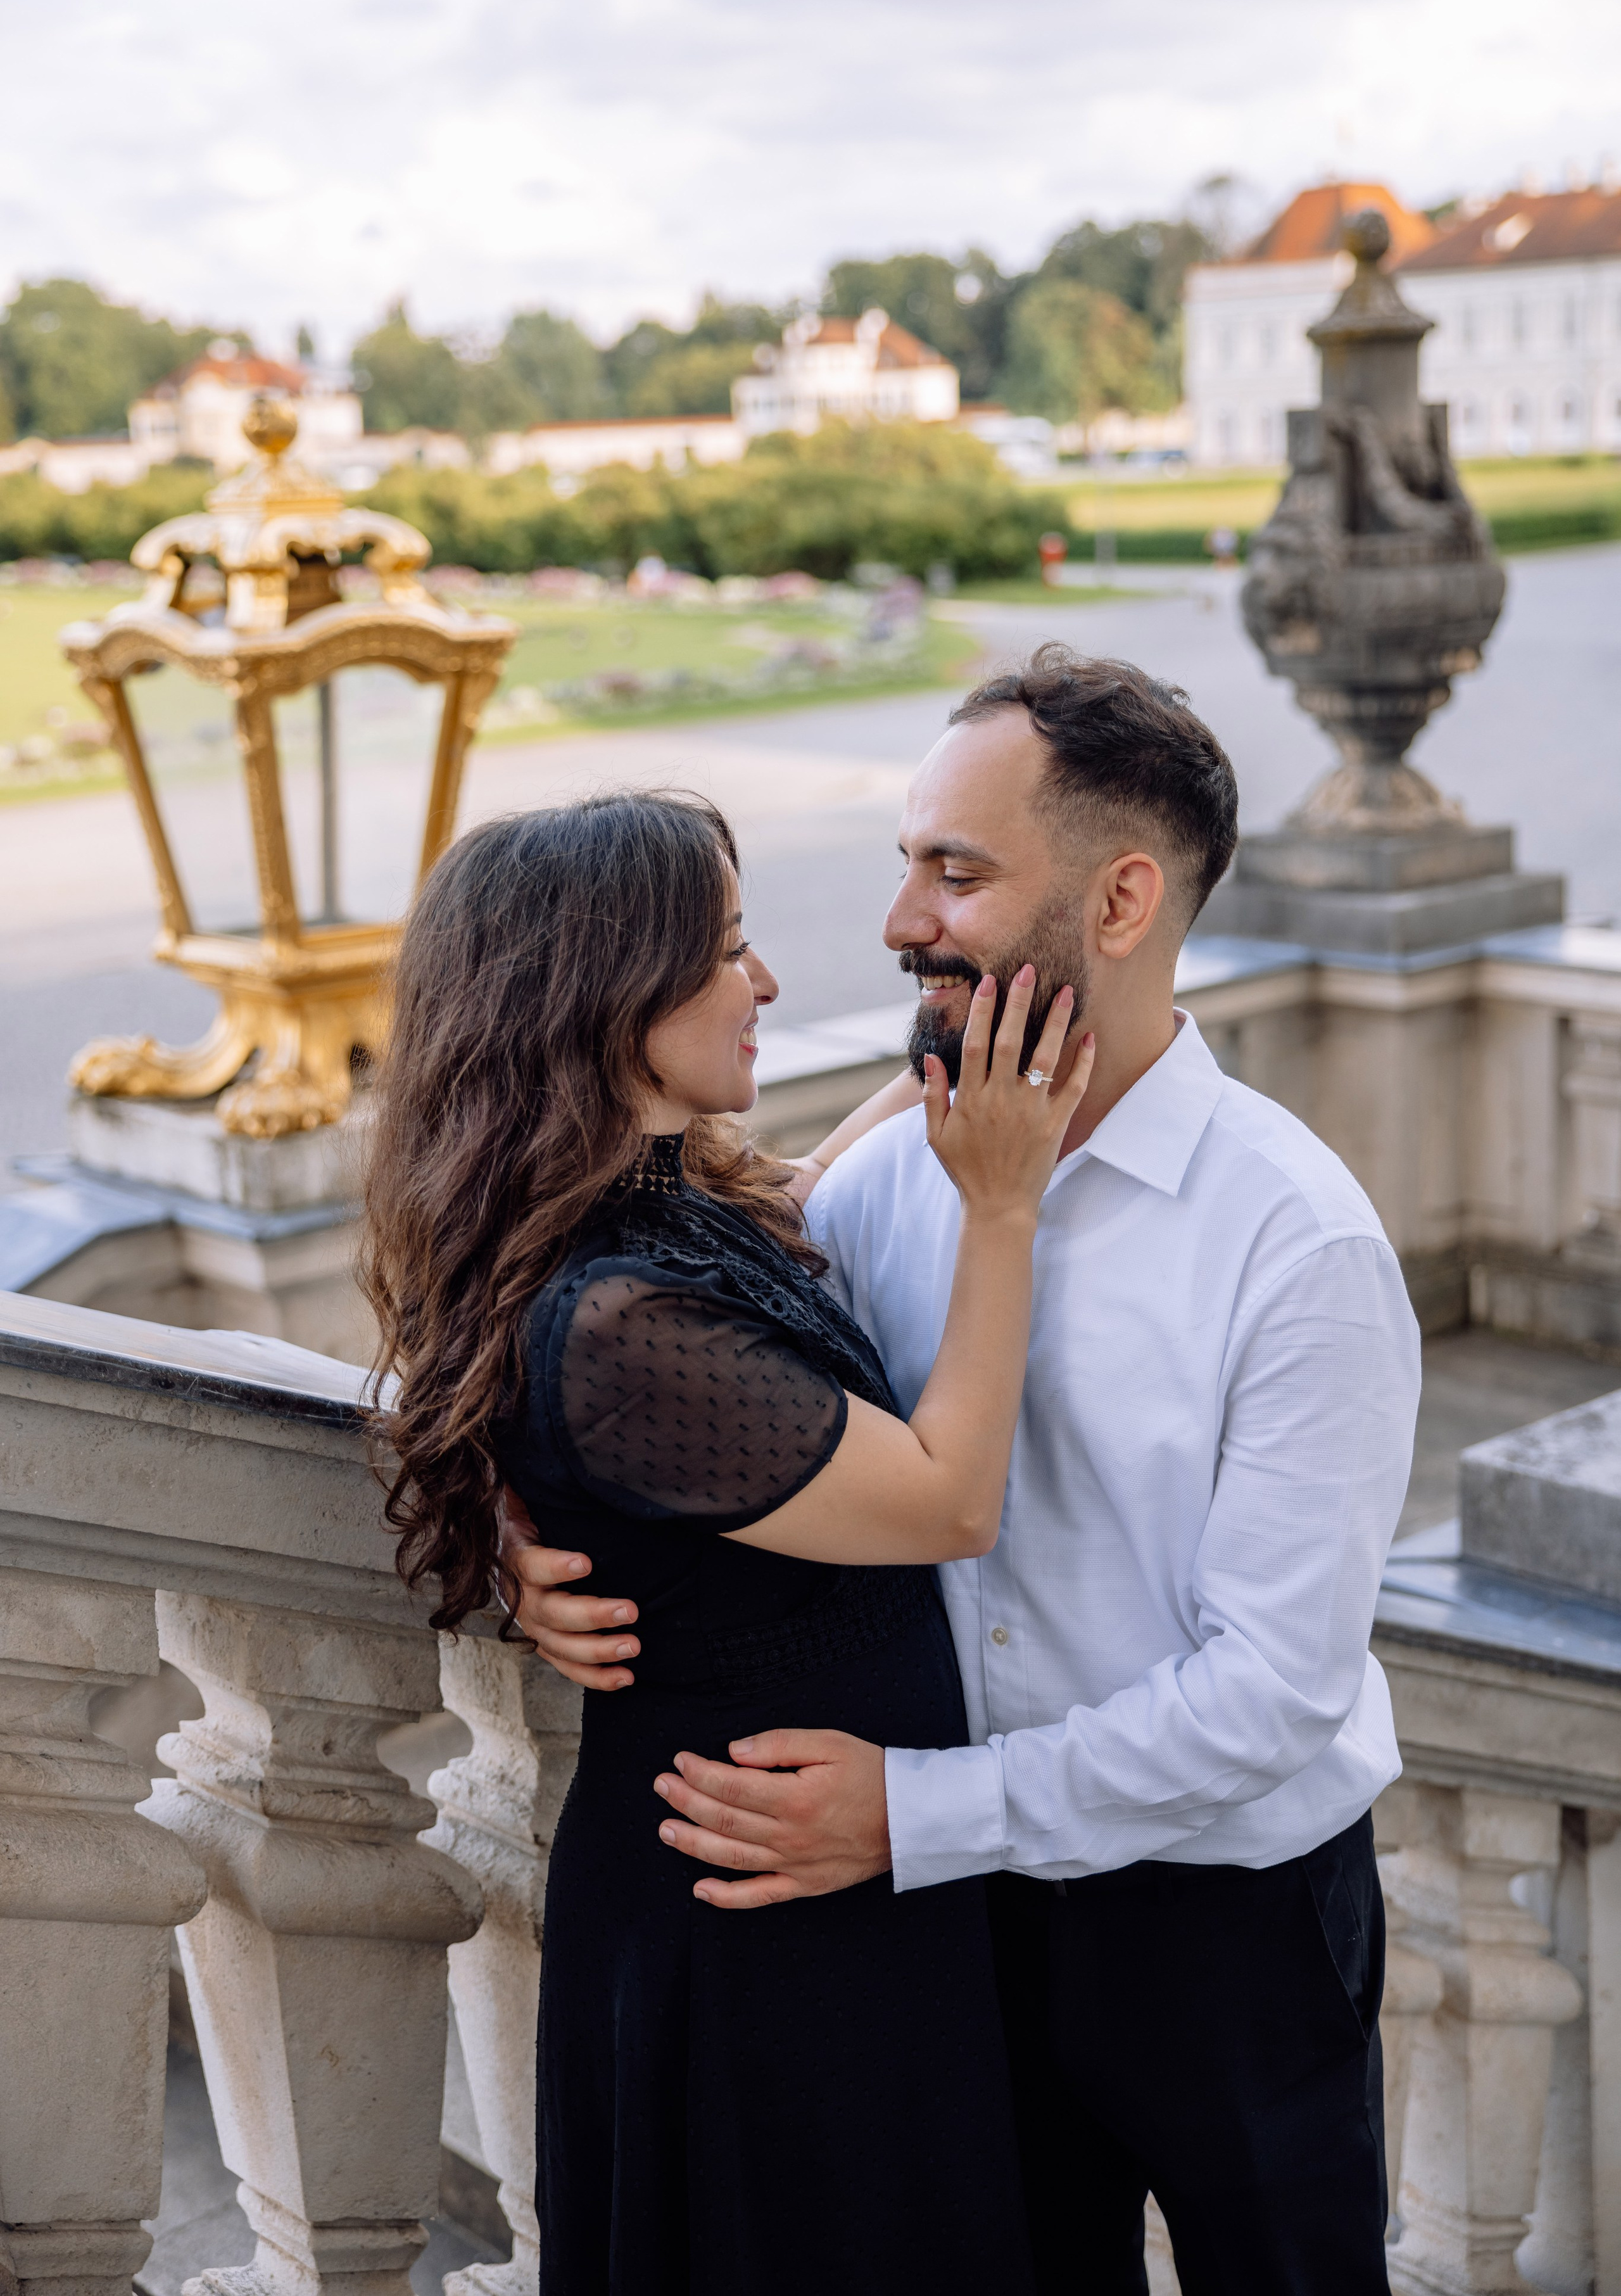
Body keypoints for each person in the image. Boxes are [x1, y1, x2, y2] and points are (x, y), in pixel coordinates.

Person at [512, 652, 1423, 2296]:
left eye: (957, 870)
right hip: (947, 1924)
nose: (898, 920)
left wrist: (919, 1812)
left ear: (1122, 898)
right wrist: (538, 1516)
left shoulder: (1301, 1244)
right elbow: (622, 1331)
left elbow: (1272, 1694)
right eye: (907, 861)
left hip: (1221, 1918)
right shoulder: (879, 1189)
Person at [358, 788, 1095, 2296]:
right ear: (600, 988)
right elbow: (951, 1497)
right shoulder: (618, 1326)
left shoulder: (664, 1205)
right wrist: (1001, 1206)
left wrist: (966, 1053)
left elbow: (785, 1230)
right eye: (729, 950)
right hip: (754, 1920)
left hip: (814, 1870)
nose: (763, 984)